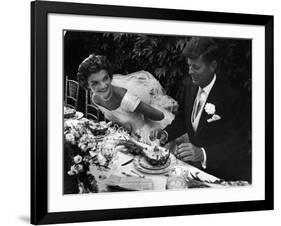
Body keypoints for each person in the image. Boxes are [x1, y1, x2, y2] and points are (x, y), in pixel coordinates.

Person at [151, 37, 251, 181]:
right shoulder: (189, 85)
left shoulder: (232, 97)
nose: (190, 72)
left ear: (212, 66)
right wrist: (166, 134)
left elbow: (238, 146)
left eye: (196, 67)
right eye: (189, 66)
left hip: (223, 174)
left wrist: (203, 153)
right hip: (194, 171)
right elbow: (183, 119)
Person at [77, 54, 178, 142]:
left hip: (150, 137)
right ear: (87, 85)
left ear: (110, 76)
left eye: (105, 78)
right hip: (130, 137)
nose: (103, 85)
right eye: (95, 83)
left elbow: (159, 116)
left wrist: (142, 111)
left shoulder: (126, 99)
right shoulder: (96, 99)